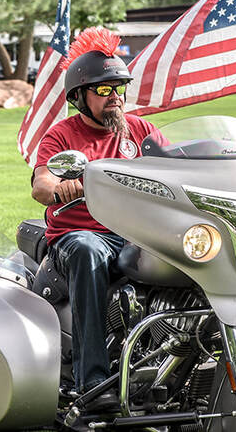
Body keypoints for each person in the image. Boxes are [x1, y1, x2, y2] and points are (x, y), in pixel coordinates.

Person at [31, 27, 159, 413]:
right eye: (104, 89)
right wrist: (63, 187)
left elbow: (176, 167)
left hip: (136, 234)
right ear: (79, 97)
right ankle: (93, 382)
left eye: (119, 88)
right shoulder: (62, 136)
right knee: (88, 251)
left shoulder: (142, 131)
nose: (115, 97)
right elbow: (41, 184)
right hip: (79, 234)